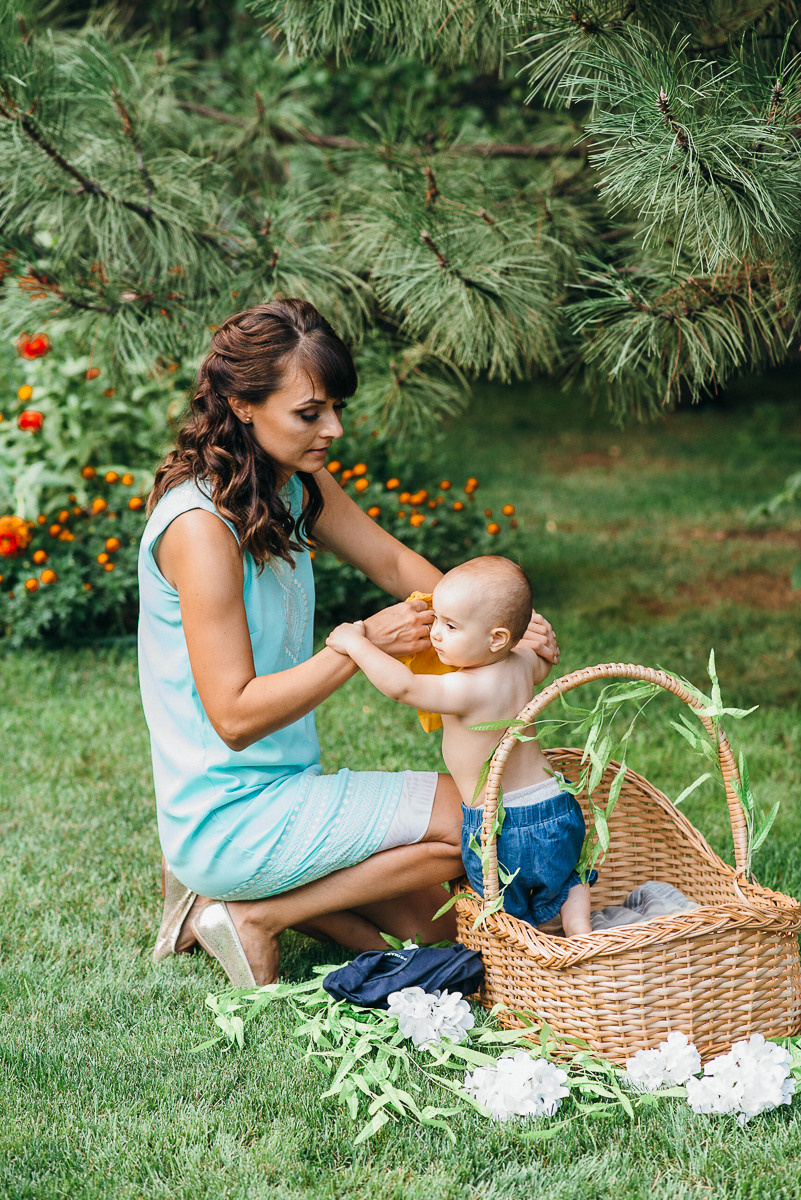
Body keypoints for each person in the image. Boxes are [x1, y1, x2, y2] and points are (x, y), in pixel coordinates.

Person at [139, 299, 560, 986]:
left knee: (448, 926)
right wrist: (357, 645)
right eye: (310, 413)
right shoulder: (199, 530)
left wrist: (497, 629)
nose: (332, 428)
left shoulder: (291, 483)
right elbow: (235, 717)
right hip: (227, 813)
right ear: (244, 405)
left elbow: (393, 566)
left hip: (286, 788)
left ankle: (241, 900)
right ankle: (253, 915)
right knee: (480, 820)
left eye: (335, 408)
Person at [326, 556, 592, 936]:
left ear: (496, 638)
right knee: (567, 879)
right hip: (557, 806)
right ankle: (580, 928)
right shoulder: (521, 663)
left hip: (501, 826)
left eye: (450, 626)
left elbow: (404, 687)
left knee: (502, 911)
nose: (436, 634)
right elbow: (542, 664)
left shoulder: (468, 688)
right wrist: (547, 647)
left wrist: (358, 644)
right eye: (436, 620)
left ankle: (523, 959)